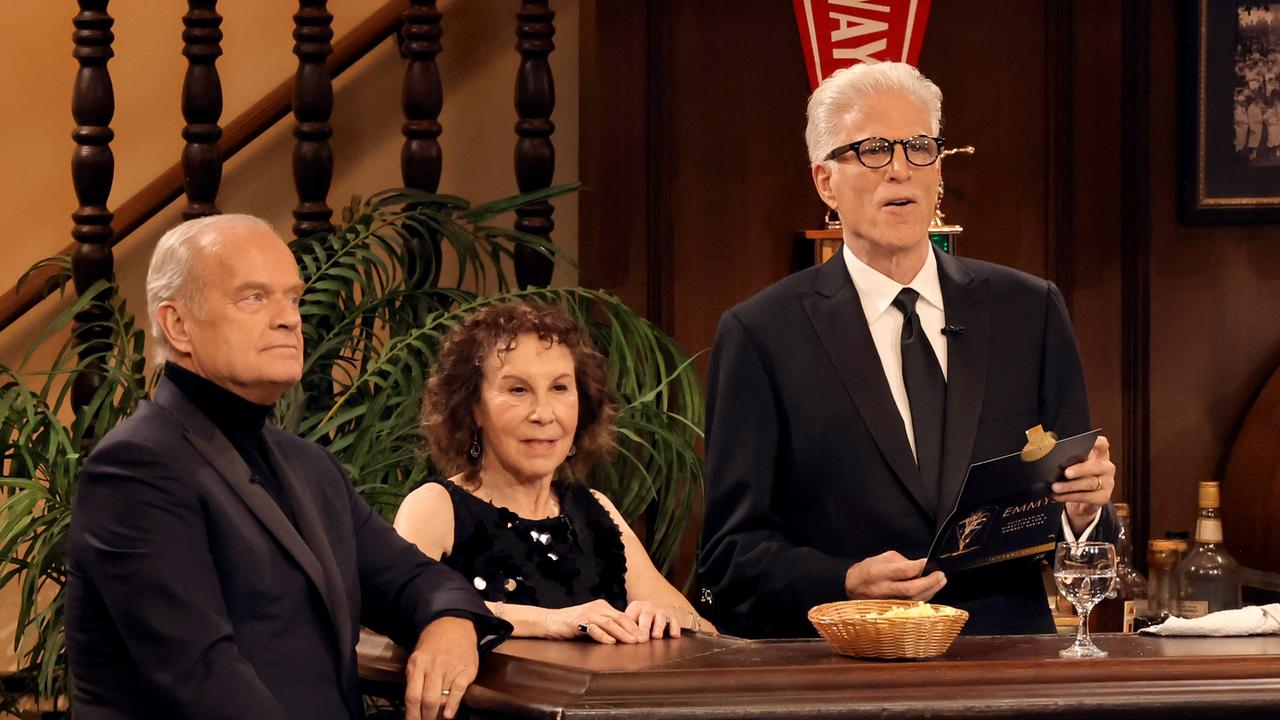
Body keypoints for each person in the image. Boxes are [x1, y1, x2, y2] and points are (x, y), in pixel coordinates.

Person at [697, 62, 1117, 638]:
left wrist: (1084, 509)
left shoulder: (1030, 311)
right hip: (842, 669)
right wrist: (844, 580)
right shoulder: (762, 333)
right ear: (825, 182)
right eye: (872, 150)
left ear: (939, 170)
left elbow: (1080, 508)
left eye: (919, 147)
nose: (900, 169)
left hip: (1003, 665)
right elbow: (728, 561)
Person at [66, 214, 511, 720]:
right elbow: (204, 682)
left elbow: (416, 579)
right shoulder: (136, 467)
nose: (289, 318)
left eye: (293, 298)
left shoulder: (310, 465)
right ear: (178, 325)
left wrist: (451, 623)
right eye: (254, 297)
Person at [394, 302, 714, 645]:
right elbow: (398, 610)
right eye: (518, 390)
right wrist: (550, 621)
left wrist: (665, 616)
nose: (544, 414)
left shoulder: (593, 509)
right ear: (472, 408)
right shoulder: (435, 507)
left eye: (560, 388)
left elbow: (706, 630)